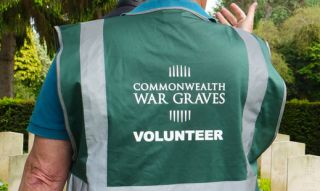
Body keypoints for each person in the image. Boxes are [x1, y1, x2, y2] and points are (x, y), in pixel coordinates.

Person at [19, 0, 286, 191]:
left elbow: (43, 177)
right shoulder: (251, 55)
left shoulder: (82, 51)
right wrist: (238, 49)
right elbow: (246, 142)